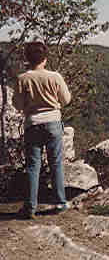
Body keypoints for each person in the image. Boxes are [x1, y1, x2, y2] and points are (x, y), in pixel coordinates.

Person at [12, 41, 72, 219]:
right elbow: (66, 99)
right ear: (45, 59)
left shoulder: (23, 79)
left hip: (33, 123)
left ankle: (30, 206)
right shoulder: (55, 77)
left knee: (33, 166)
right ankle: (60, 202)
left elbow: (18, 105)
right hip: (53, 122)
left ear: (27, 59)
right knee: (56, 164)